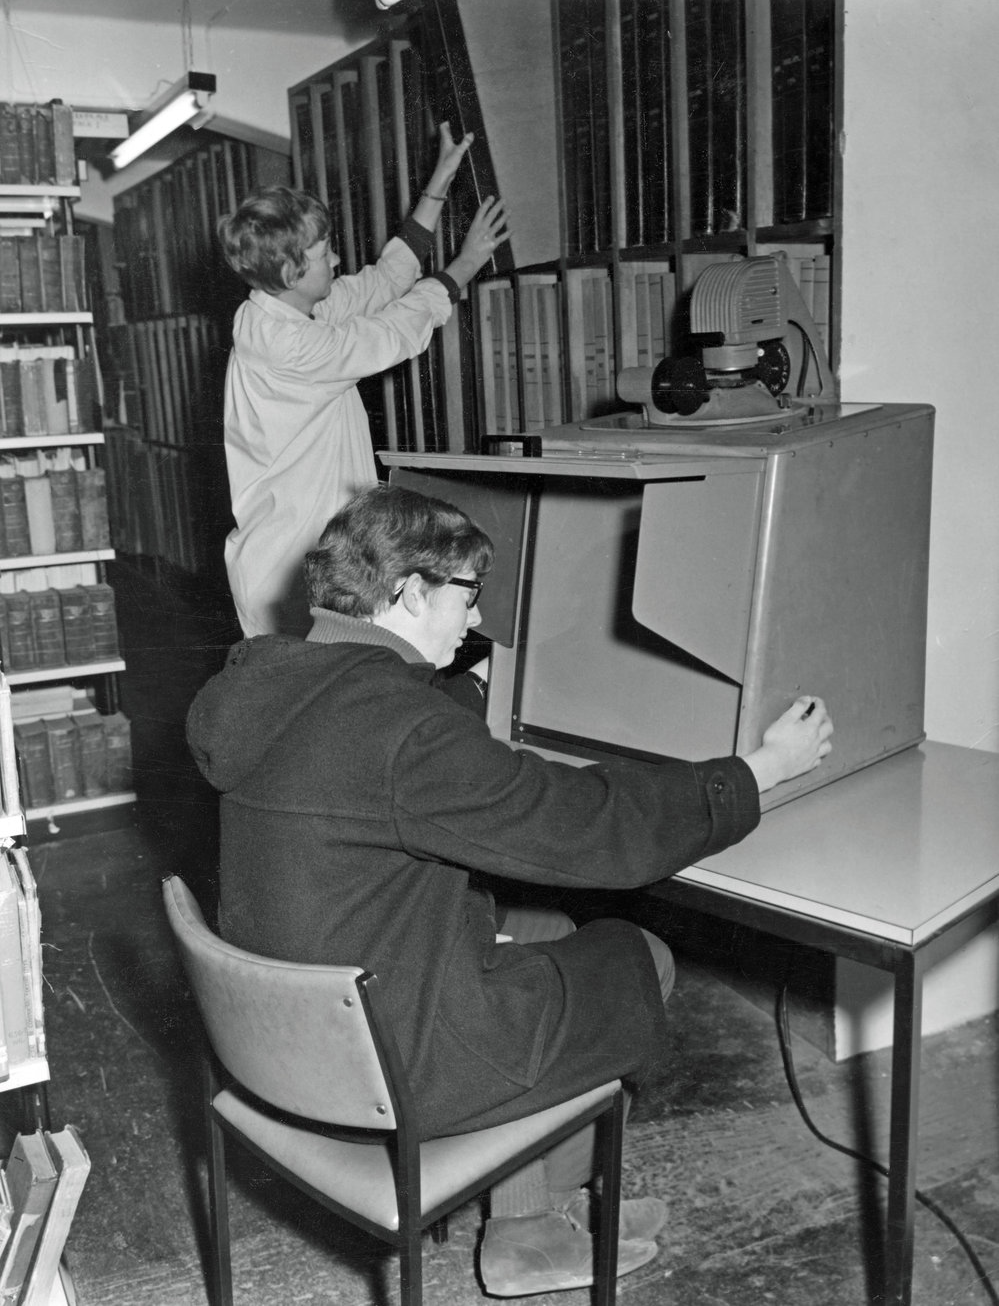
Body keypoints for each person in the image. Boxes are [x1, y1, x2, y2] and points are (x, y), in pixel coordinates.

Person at [186, 484, 833, 1297]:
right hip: (390, 1061)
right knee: (635, 957)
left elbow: (372, 749)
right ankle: (528, 1235)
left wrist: (457, 684)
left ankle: (537, 1208)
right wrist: (757, 773)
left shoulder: (268, 685)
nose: (475, 616)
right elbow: (589, 828)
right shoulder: (403, 734)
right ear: (411, 591)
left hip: (283, 1036)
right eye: (466, 595)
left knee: (540, 923)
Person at [217, 125, 508, 638]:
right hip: (289, 575)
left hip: (312, 560)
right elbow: (393, 332)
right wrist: (464, 265)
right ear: (289, 269)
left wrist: (438, 183)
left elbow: (382, 281)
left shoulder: (280, 312)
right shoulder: (293, 348)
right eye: (325, 251)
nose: (335, 259)